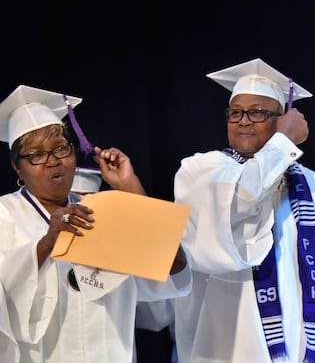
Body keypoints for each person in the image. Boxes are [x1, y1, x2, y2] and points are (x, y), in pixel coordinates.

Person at [169, 58, 315, 362]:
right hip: (231, 345)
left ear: (282, 119)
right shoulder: (202, 172)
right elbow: (238, 204)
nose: (243, 120)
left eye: (258, 113)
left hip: (307, 346)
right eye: (235, 112)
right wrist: (284, 143)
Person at [0, 84, 192, 363]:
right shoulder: (4, 214)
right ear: (17, 168)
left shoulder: (103, 209)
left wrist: (131, 189)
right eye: (36, 155)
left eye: (61, 149)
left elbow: (174, 265)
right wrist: (46, 243)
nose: (53, 161)